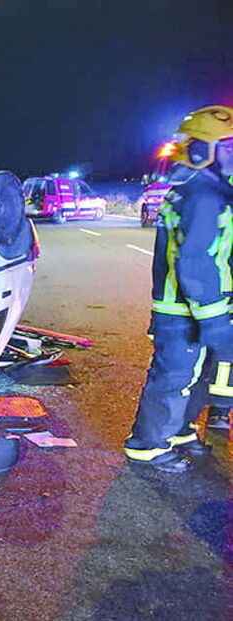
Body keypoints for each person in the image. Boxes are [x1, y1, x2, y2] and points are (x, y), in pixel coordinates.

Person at [124, 105, 233, 473]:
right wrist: (215, 321)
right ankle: (148, 445)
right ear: (201, 150)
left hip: (196, 307)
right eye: (229, 147)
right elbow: (196, 262)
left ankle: (179, 430)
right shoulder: (204, 197)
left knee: (197, 377)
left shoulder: (203, 190)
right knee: (173, 379)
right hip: (186, 311)